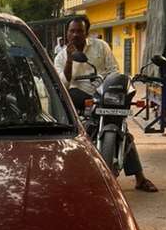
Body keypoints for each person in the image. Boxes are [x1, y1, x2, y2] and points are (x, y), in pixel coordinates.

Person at [54, 15, 158, 193]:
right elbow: (63, 84)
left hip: (104, 93)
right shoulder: (61, 57)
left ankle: (140, 178)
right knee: (74, 134)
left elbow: (113, 69)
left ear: (86, 32)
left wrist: (110, 85)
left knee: (123, 131)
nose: (75, 35)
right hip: (79, 97)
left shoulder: (100, 46)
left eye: (79, 31)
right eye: (72, 31)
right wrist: (71, 59)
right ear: (67, 34)